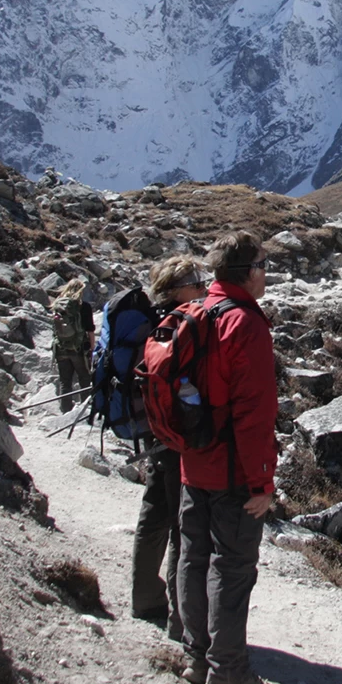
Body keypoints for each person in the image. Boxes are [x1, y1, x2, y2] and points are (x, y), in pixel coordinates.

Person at [175, 231, 283, 684]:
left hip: (191, 461)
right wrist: (263, 482)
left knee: (193, 557)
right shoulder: (246, 324)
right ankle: (229, 672)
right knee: (233, 567)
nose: (267, 272)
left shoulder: (193, 311)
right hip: (234, 470)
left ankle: (196, 658)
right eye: (263, 264)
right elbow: (255, 413)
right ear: (247, 273)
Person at [130, 255, 209, 638]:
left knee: (154, 510)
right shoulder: (181, 325)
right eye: (196, 282)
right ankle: (182, 621)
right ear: (177, 287)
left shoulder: (149, 322)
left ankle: (144, 598)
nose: (203, 287)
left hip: (152, 428)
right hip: (175, 434)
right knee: (184, 524)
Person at [50, 277, 94, 412]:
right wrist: (91, 347)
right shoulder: (84, 306)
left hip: (61, 347)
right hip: (78, 348)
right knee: (84, 378)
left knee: (65, 381)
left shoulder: (57, 305)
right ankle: (85, 410)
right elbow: (90, 329)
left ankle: (65, 410)